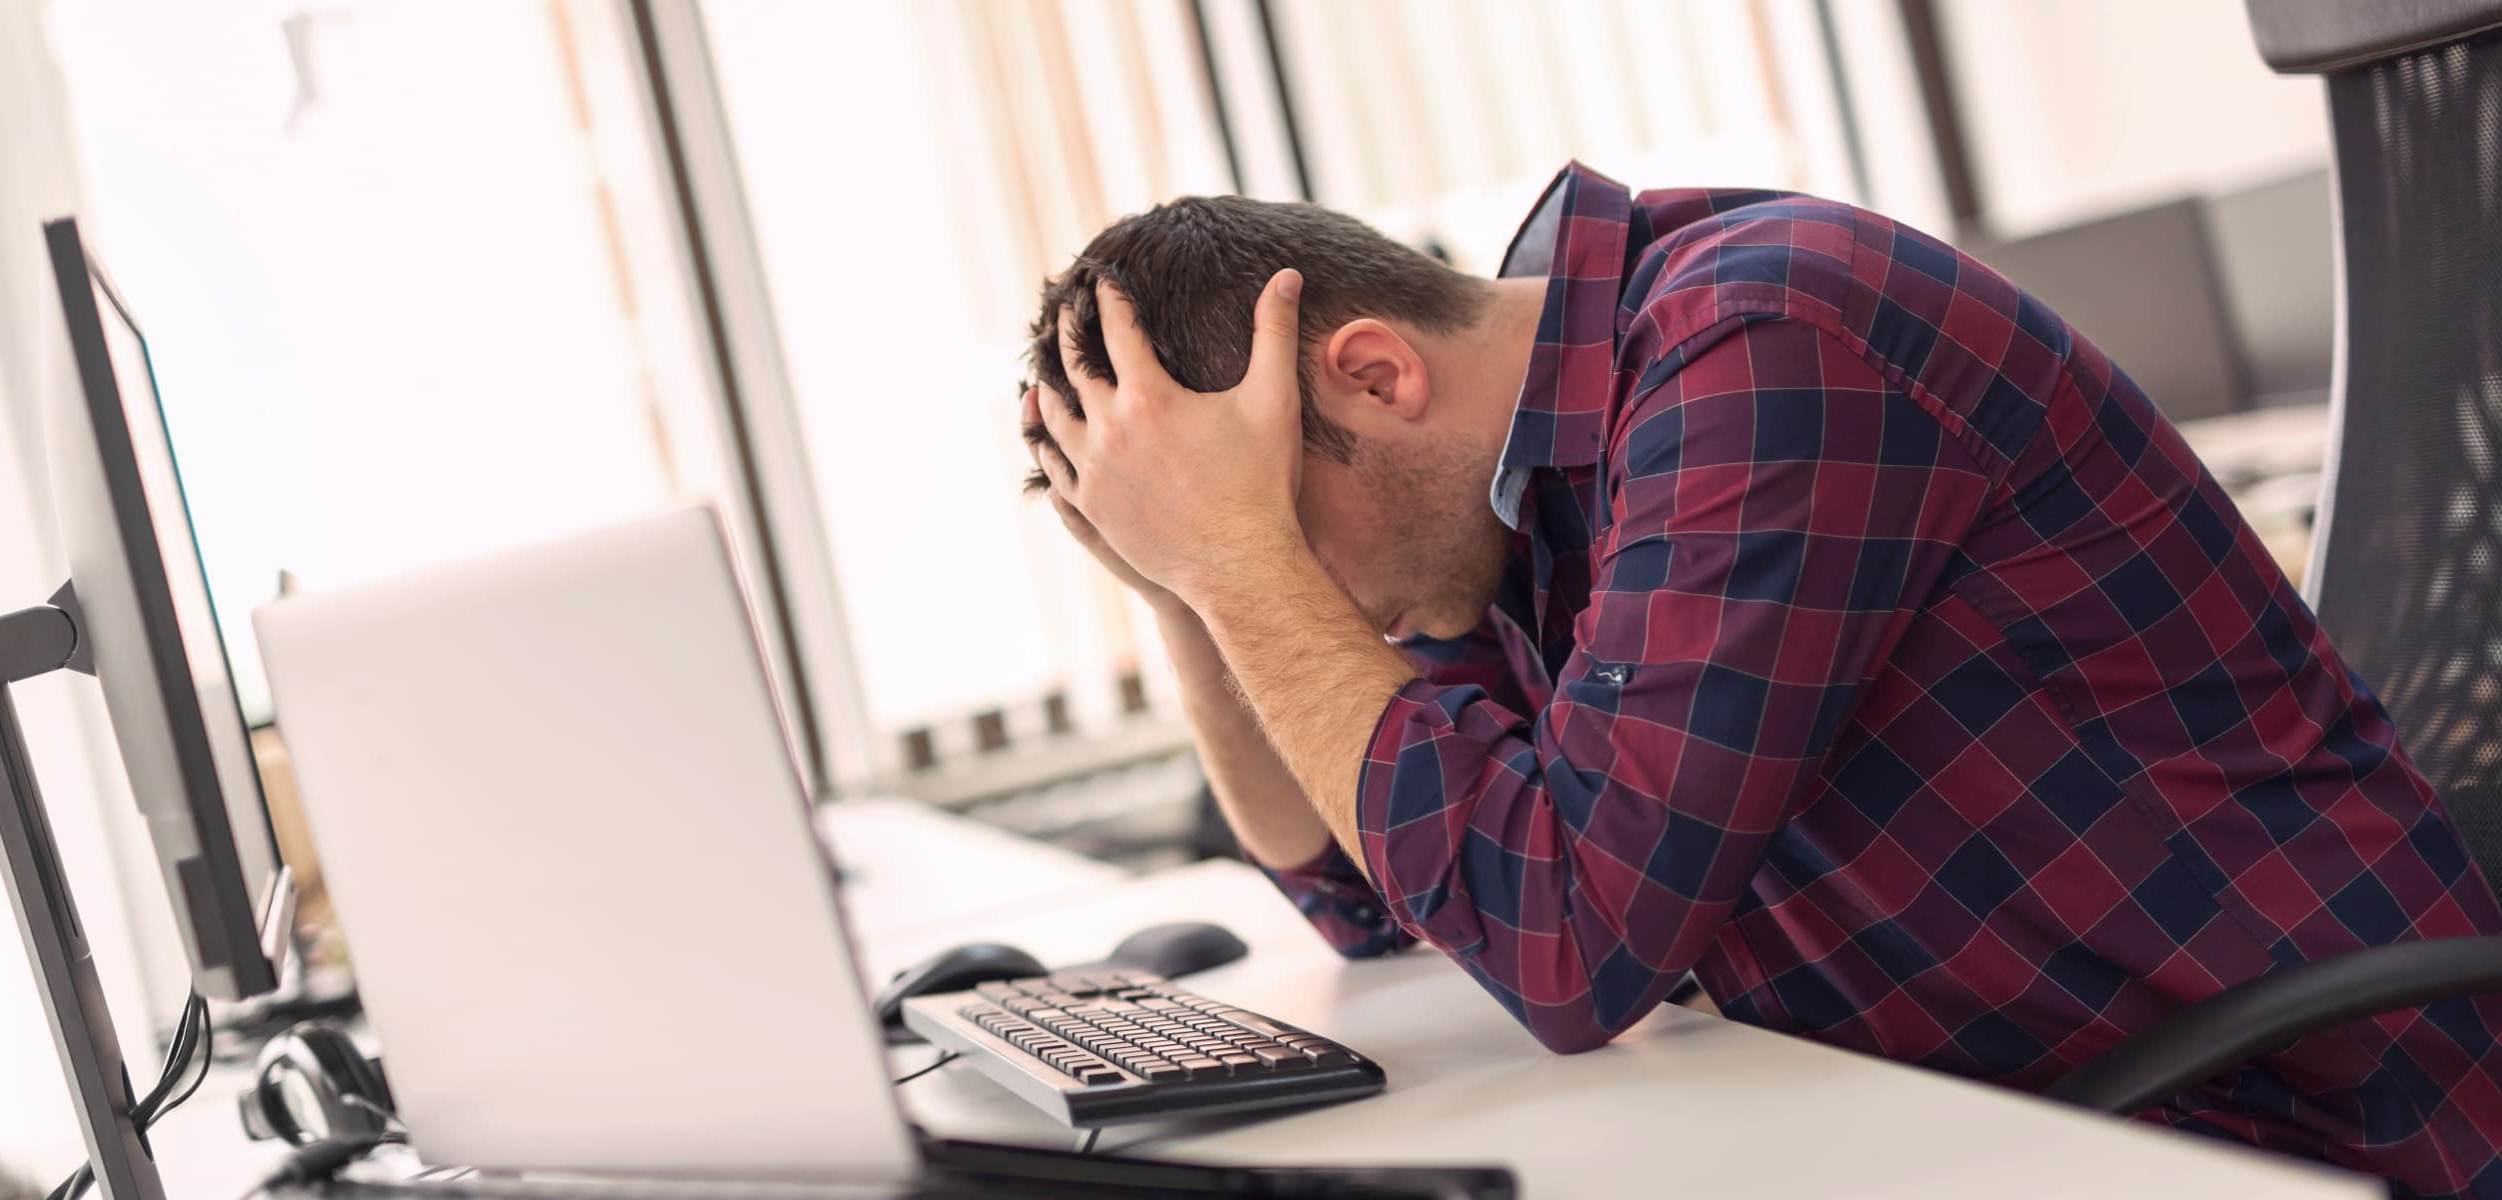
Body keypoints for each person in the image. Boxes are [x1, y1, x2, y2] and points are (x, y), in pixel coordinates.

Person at [1017, 163, 2502, 1197]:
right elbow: (1380, 899)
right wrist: (1187, 588)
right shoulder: (1520, 497)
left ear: (1371, 375)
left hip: (2283, 1134)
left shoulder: (1763, 344)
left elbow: (1568, 943)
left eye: (1271, 530)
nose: (1298, 598)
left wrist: (1236, 565)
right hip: (2009, 1120)